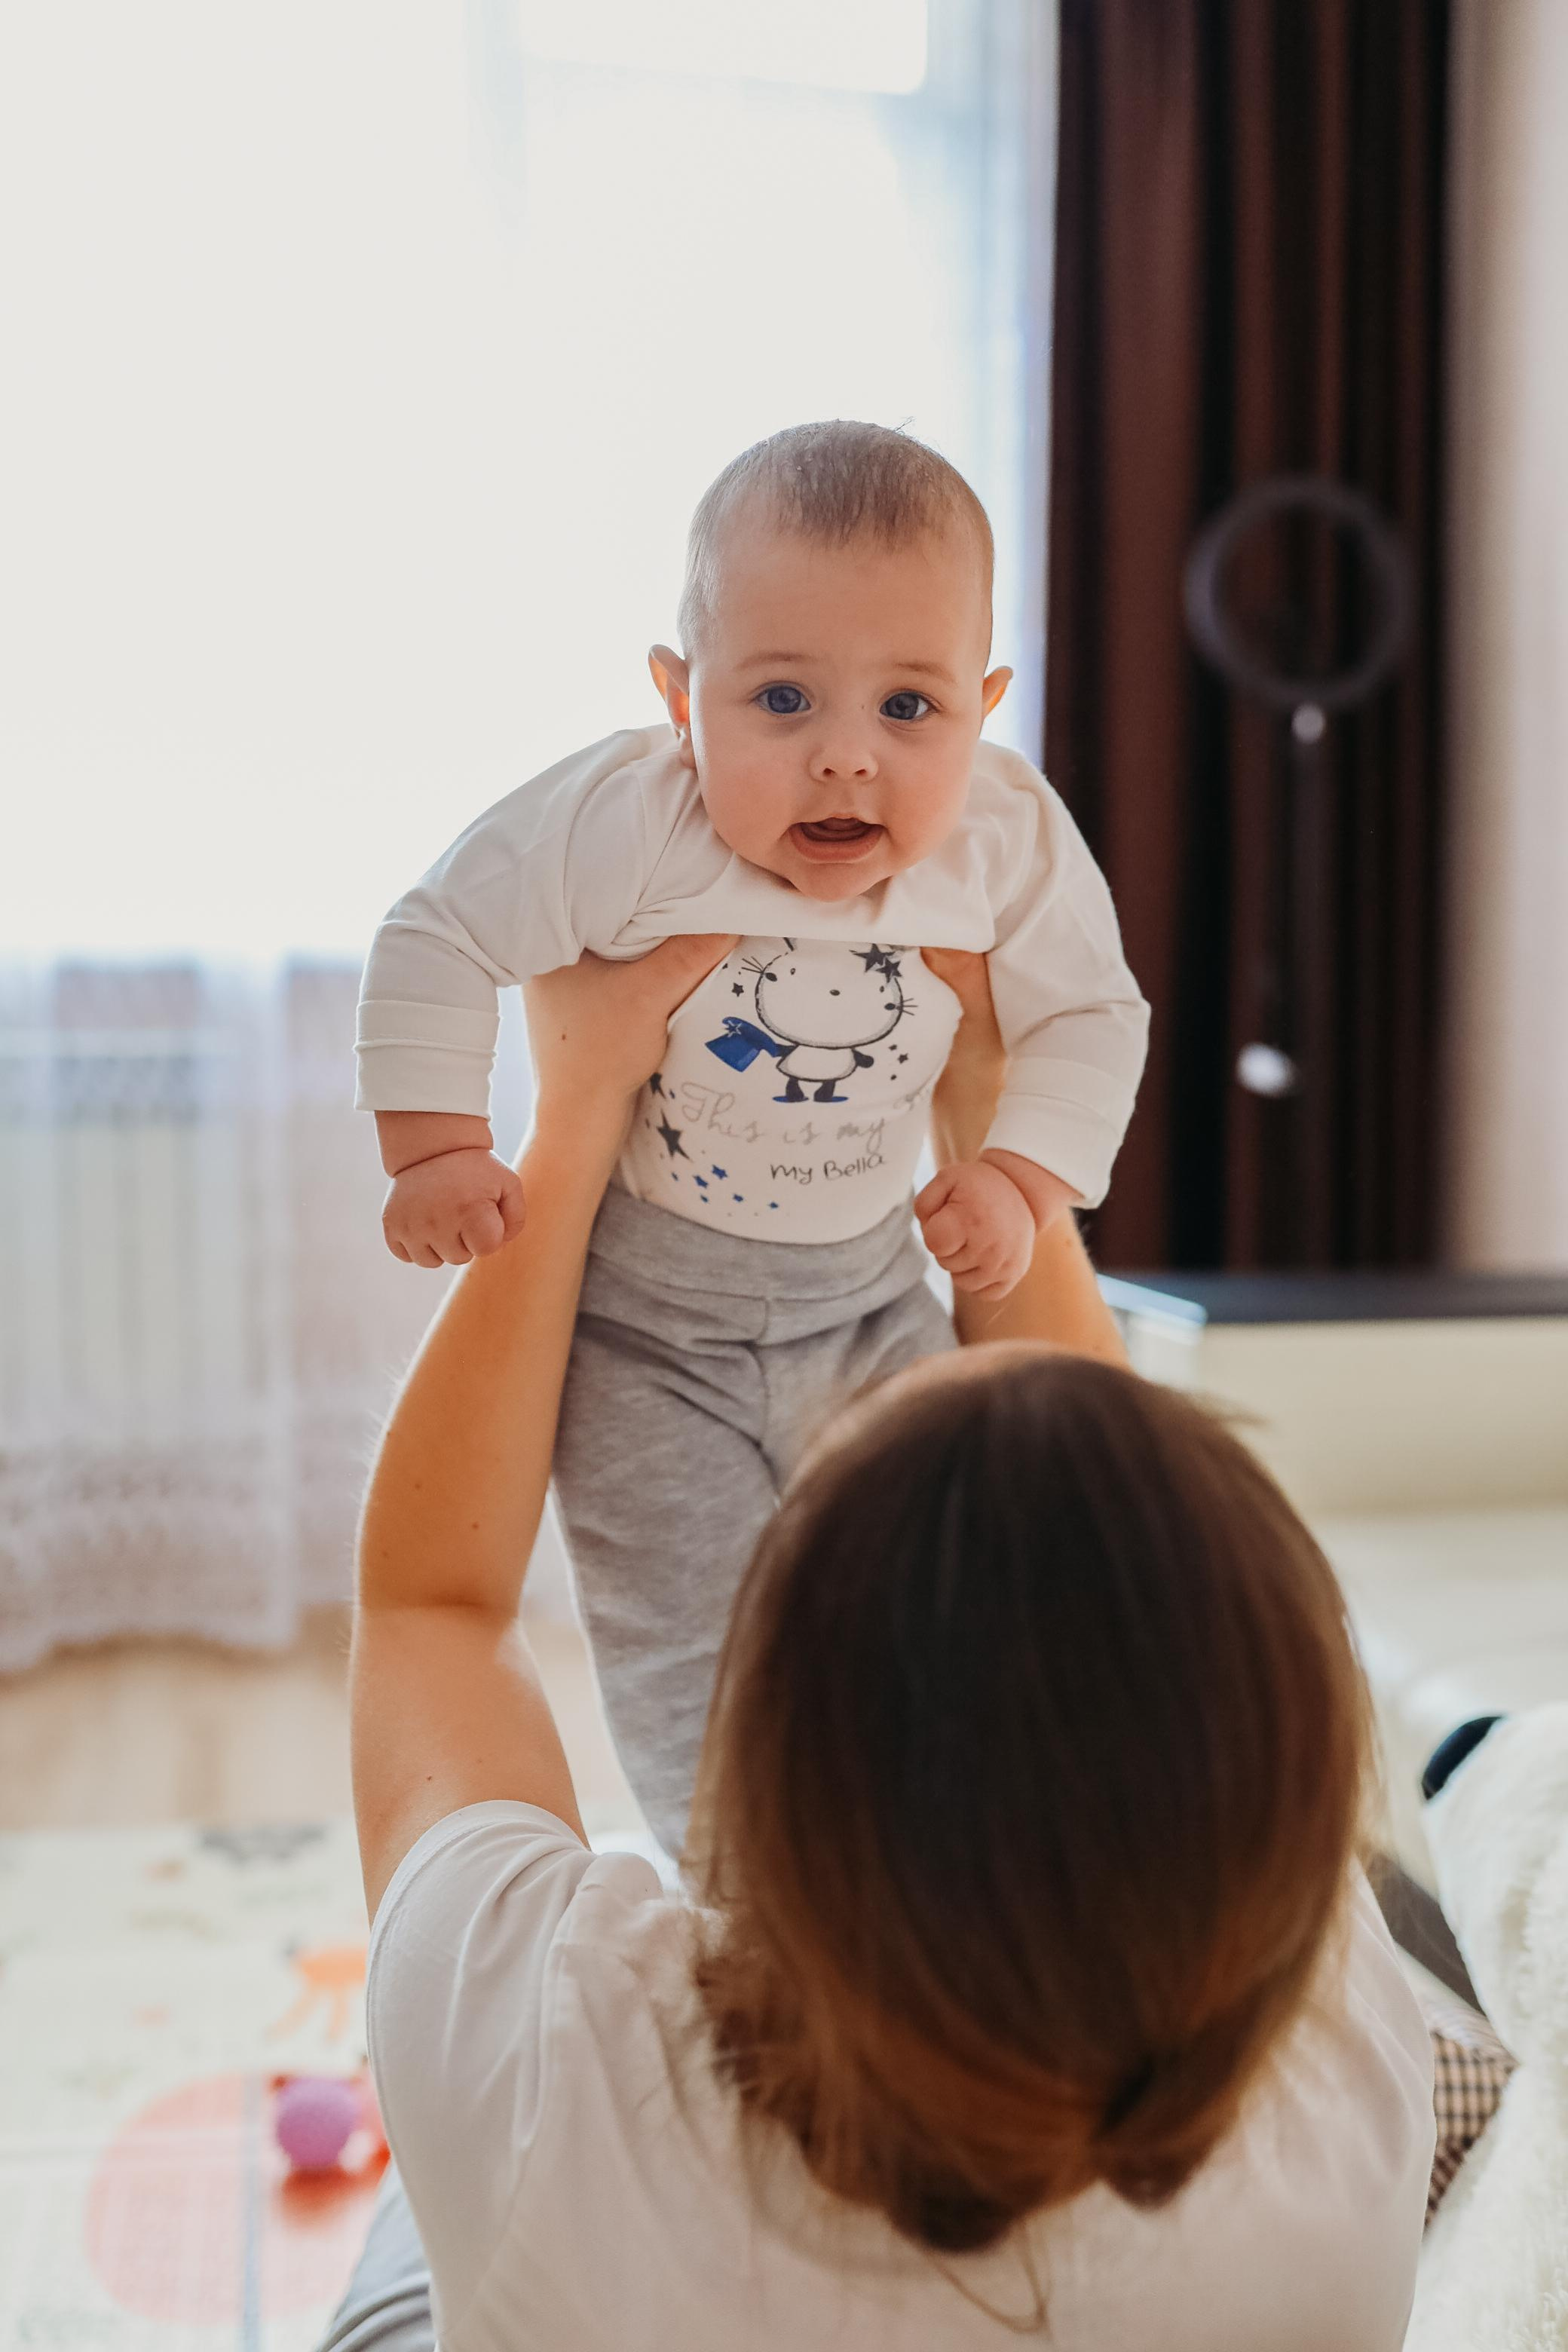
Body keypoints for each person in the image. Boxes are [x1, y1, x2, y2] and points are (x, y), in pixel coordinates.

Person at [329, 939, 1435, 2352]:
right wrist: (992, 1115)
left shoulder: (555, 2047)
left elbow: (435, 1606)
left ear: (749, 1787)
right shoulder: (1340, 2069)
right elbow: (1113, 1555)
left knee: (419, 2196)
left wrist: (579, 1108)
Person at [354, 420, 1150, 1854]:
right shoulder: (624, 825)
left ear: (985, 702)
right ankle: (740, 1891)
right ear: (680, 698)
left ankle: (943, 1877)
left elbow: (1096, 1015)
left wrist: (1023, 1174)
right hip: (653, 1338)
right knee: (698, 1666)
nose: (846, 762)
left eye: (911, 709)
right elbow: (437, 930)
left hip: (871, 1308)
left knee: (949, 1609)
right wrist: (436, 1145)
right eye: (782, 699)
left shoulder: (1007, 839)